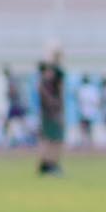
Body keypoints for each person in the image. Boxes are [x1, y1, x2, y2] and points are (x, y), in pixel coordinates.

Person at [36, 47, 65, 176]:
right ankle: (50, 164)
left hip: (50, 110)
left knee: (50, 138)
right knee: (53, 139)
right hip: (51, 111)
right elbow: (43, 89)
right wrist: (53, 103)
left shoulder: (52, 71)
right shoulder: (52, 72)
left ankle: (48, 163)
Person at [76, 75, 100, 148]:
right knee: (89, 127)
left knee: (84, 127)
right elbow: (97, 101)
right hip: (91, 111)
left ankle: (85, 141)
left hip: (83, 111)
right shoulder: (93, 89)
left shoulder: (81, 89)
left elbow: (79, 100)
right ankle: (90, 141)